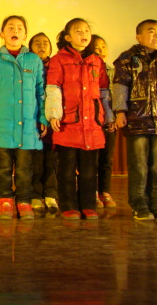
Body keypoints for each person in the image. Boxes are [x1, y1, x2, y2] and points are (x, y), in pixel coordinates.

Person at [113, 20, 157, 221]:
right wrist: (120, 111)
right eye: (151, 32)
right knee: (139, 165)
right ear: (138, 37)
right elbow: (120, 85)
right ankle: (139, 205)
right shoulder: (127, 59)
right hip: (137, 119)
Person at [0, 16, 47, 220]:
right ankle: (5, 201)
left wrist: (42, 118)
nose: (15, 31)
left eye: (19, 28)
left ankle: (24, 201)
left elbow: (40, 92)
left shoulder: (34, 60)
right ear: (2, 34)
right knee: (2, 167)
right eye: (10, 27)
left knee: (25, 168)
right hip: (2, 125)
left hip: (28, 126)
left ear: (25, 35)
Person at [45, 18, 113, 220]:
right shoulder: (59, 59)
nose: (84, 34)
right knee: (66, 169)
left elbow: (104, 91)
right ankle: (68, 205)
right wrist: (54, 114)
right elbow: (53, 88)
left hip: (92, 124)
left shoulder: (96, 61)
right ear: (68, 37)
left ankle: (88, 205)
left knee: (89, 170)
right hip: (68, 123)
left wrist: (108, 116)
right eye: (78, 31)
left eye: (86, 31)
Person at [28, 32, 59, 214]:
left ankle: (51, 194)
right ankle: (34, 195)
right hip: (33, 121)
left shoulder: (56, 66)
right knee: (35, 162)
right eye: (37, 43)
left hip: (53, 121)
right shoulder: (27, 66)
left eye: (45, 43)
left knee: (51, 161)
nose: (41, 46)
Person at [90, 34, 117, 209]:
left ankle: (105, 191)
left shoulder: (113, 71)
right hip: (92, 121)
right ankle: (92, 191)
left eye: (103, 47)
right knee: (92, 160)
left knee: (107, 159)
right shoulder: (87, 69)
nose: (101, 51)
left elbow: (116, 97)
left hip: (110, 121)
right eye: (96, 48)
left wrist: (113, 117)